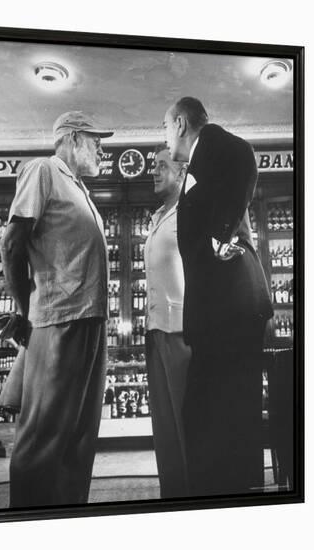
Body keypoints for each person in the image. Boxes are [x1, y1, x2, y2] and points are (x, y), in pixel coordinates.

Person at [0, 111, 113, 508]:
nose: (102, 148)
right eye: (96, 140)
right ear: (73, 138)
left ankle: (65, 520)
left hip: (90, 323)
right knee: (43, 438)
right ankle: (28, 525)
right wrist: (25, 310)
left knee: (79, 439)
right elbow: (11, 245)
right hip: (59, 319)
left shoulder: (80, 189)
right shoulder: (44, 170)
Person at [163, 97, 273, 496]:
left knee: (225, 414)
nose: (165, 136)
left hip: (230, 310)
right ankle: (228, 494)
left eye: (164, 127)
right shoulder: (198, 159)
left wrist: (218, 237)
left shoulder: (216, 143)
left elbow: (244, 156)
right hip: (218, 312)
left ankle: (233, 499)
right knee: (215, 415)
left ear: (179, 124)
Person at [144, 148, 191, 498]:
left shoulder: (190, 212)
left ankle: (194, 495)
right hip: (154, 330)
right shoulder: (159, 215)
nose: (154, 172)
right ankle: (172, 496)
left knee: (186, 424)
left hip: (181, 332)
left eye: (162, 166)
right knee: (163, 425)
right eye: (154, 166)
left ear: (181, 171)